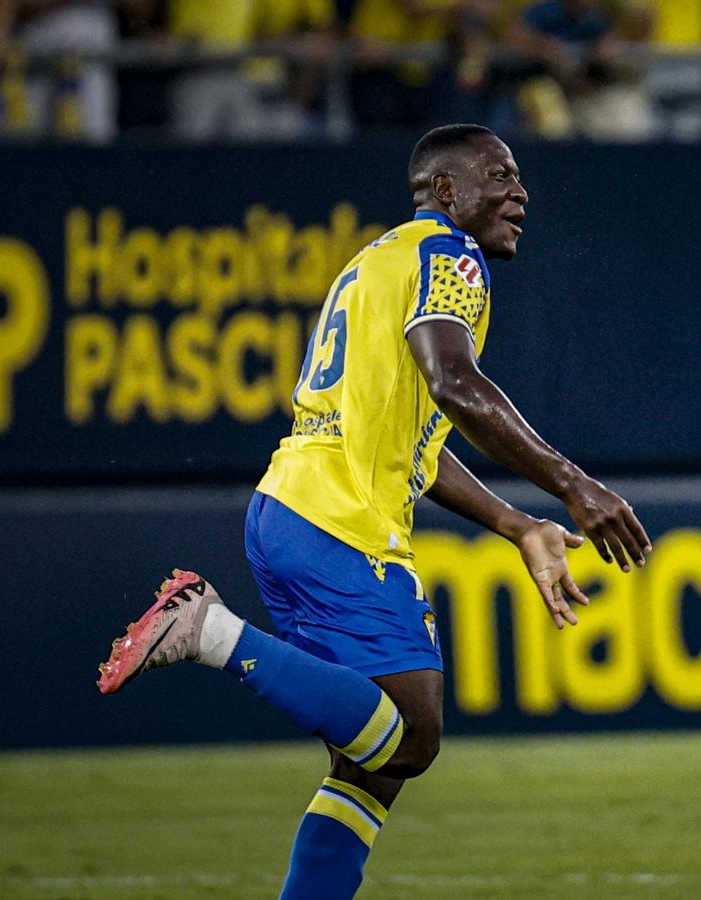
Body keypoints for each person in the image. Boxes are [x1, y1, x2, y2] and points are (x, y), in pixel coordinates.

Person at [96, 124, 652, 900]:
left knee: (369, 769)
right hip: (341, 522)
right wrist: (572, 484)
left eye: (520, 177)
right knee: (412, 736)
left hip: (290, 509)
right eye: (500, 176)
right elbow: (456, 383)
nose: (520, 193)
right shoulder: (450, 257)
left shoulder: (378, 262)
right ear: (448, 191)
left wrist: (519, 524)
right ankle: (209, 630)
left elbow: (416, 443)